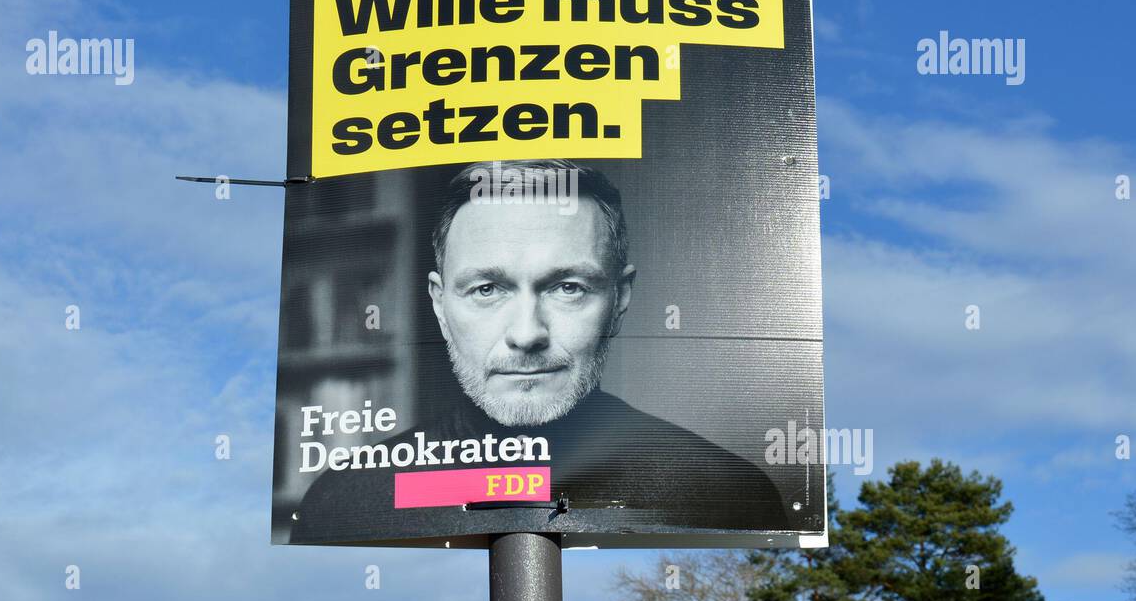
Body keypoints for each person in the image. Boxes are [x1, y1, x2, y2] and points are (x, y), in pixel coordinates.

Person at [289, 159, 788, 543]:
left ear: (621, 299)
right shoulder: (345, 501)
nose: (527, 334)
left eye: (568, 287)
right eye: (486, 290)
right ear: (440, 305)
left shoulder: (726, 492)